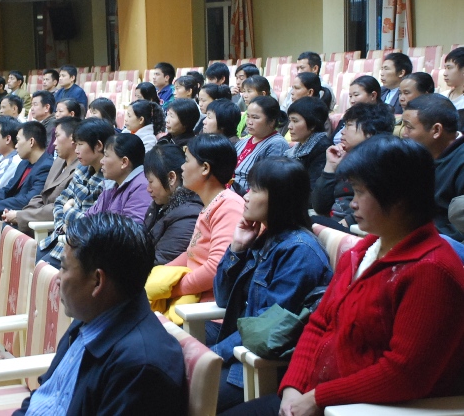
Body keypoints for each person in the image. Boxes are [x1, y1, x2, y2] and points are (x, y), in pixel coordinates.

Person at [224, 136, 464, 416]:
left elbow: (405, 373)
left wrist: (318, 398)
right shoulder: (362, 252)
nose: (352, 204)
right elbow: (319, 324)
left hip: (367, 408)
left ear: (398, 198)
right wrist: (293, 386)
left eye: (360, 193)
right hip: (318, 397)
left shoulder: (432, 271)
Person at [15, 213, 187, 415]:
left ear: (97, 281)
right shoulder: (90, 317)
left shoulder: (140, 367)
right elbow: (45, 393)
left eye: (63, 268)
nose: (57, 279)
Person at [211, 157, 332, 412]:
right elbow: (222, 297)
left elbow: (266, 328)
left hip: (260, 367)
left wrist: (215, 354)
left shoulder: (299, 251)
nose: (245, 196)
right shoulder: (265, 237)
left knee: (185, 392)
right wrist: (237, 248)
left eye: (255, 189)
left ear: (279, 198)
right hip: (239, 351)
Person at [166, 134, 244, 303]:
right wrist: (159, 276)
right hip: (192, 299)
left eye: (187, 160)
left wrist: (172, 289)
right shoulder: (212, 204)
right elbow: (191, 255)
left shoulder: (229, 206)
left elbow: (216, 268)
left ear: (205, 168)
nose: (182, 167)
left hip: (206, 309)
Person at [36, 118, 115, 267]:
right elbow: (60, 201)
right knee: (25, 260)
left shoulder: (108, 180)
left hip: (80, 252)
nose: (76, 150)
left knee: (39, 270)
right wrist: (63, 225)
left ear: (98, 146)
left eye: (80, 144)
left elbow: (89, 222)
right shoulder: (82, 169)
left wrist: (68, 209)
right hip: (59, 237)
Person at [312, 103, 395, 232]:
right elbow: (320, 206)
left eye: (348, 126)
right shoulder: (346, 157)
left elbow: (381, 201)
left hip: (357, 229)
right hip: (336, 224)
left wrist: (348, 222)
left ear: (370, 131)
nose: (342, 132)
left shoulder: (382, 161)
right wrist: (330, 167)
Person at [4, 117, 81, 234]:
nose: (54, 143)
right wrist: (21, 214)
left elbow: (59, 206)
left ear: (72, 138)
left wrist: (20, 216)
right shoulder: (58, 162)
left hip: (52, 227)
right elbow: (42, 196)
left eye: (57, 136)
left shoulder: (80, 169)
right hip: (35, 218)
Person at [402, 94, 464, 241]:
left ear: (436, 130)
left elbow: (458, 231)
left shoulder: (461, 161)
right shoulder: (419, 154)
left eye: (409, 127)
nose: (404, 134)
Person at [0, 121, 52, 219]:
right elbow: (7, 189)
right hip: (7, 211)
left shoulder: (46, 167)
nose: (16, 146)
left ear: (31, 142)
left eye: (18, 141)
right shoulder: (24, 163)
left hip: (22, 217)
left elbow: (29, 200)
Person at [143, 144, 203, 265]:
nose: (148, 189)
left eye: (151, 181)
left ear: (171, 177)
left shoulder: (189, 216)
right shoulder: (160, 204)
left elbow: (161, 263)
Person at [85, 133, 151, 224]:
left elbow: (131, 229)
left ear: (124, 162)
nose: (101, 161)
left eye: (106, 155)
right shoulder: (112, 184)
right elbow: (88, 219)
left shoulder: (142, 187)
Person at [234, 96, 288, 193]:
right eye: (248, 116)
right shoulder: (243, 141)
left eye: (255, 117)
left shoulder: (277, 144)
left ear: (272, 121)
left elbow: (268, 182)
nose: (249, 122)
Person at [285, 97, 332, 193]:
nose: (289, 126)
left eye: (295, 121)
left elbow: (311, 189)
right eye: (290, 120)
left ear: (312, 124)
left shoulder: (323, 150)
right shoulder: (298, 148)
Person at [332, 75, 382, 144]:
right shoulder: (349, 115)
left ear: (373, 95)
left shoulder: (379, 119)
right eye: (350, 96)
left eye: (356, 95)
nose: (352, 100)